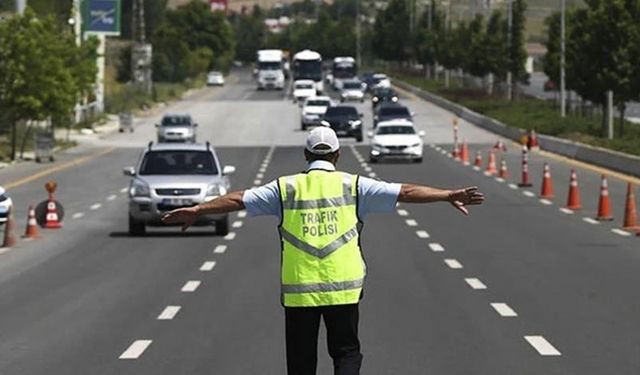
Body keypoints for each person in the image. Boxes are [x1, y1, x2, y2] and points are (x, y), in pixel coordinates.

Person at [162, 127, 485, 375]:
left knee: (301, 361)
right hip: (344, 288)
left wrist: (198, 209)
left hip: (299, 291)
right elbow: (406, 191)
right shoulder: (355, 185)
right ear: (337, 155)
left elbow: (237, 199)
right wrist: (446, 194)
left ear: (305, 154)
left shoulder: (284, 188)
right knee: (346, 352)